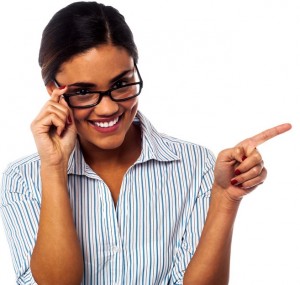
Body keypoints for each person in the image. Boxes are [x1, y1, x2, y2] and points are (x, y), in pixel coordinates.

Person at [0, 1, 291, 285]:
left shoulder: (196, 165)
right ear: (53, 91)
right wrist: (53, 168)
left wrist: (226, 198)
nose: (108, 109)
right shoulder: (21, 180)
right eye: (84, 92)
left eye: (121, 84)